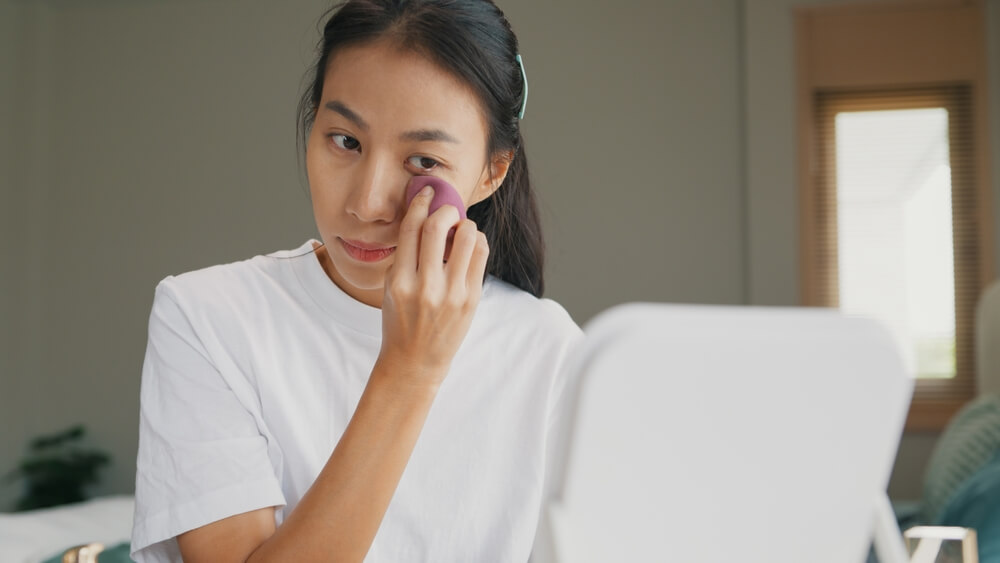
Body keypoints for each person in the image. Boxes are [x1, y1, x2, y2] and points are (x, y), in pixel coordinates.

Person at [129, 1, 582, 561]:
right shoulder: (207, 317)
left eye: (422, 161)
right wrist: (410, 369)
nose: (367, 203)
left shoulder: (548, 349)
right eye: (345, 141)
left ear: (493, 171)